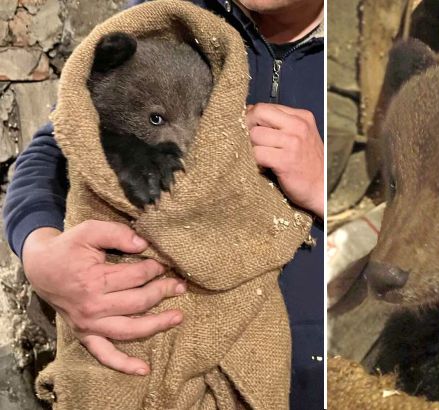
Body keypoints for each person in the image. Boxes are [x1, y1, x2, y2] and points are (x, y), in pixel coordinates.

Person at [2, 0, 324, 408]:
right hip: (141, 350)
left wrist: (322, 185)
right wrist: (39, 251)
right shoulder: (173, 16)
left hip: (307, 371)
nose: (186, 143)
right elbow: (62, 139)